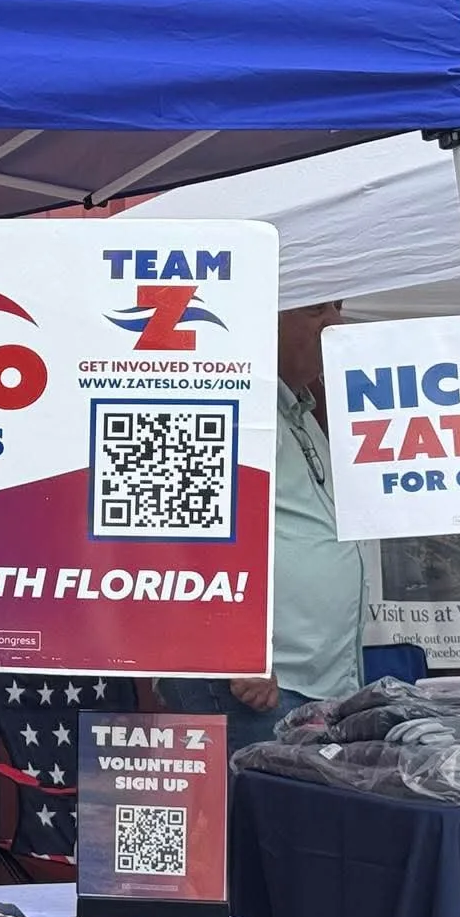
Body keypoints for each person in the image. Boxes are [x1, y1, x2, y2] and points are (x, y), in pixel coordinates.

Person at [158, 298, 365, 753]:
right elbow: (178, 530)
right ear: (261, 320)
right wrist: (235, 645)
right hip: (249, 682)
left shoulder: (298, 411)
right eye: (315, 311)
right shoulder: (223, 400)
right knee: (250, 824)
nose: (336, 322)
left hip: (305, 683)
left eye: (338, 307)